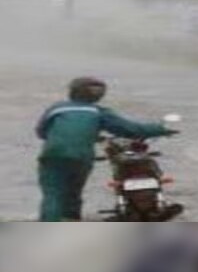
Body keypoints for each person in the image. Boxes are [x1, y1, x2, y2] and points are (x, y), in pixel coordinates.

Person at [34, 77, 176, 222]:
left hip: (52, 155)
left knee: (52, 194)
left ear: (72, 91)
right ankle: (71, 220)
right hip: (81, 157)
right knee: (73, 193)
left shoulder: (57, 108)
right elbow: (130, 129)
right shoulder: (98, 112)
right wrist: (160, 129)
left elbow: (41, 132)